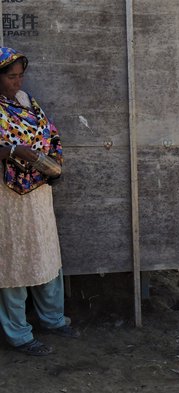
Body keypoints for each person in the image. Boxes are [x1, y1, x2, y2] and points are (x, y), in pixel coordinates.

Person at [0, 46, 79, 356]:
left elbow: (49, 134)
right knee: (14, 262)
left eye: (20, 76)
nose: (17, 82)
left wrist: (53, 163)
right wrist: (13, 152)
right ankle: (18, 334)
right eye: (10, 77)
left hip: (38, 191)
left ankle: (53, 319)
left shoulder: (26, 102)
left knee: (45, 256)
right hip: (8, 197)